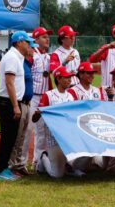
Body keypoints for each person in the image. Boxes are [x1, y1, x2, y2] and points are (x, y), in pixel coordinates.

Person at [0, 31, 32, 181]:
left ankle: (5, 169)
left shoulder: (16, 57)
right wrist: (16, 106)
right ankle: (1, 171)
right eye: (27, 42)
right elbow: (9, 83)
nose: (28, 44)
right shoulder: (11, 57)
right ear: (19, 42)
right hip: (8, 102)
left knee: (11, 138)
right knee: (8, 138)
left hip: (9, 102)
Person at [32, 66, 75, 178]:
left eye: (70, 77)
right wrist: (38, 113)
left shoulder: (70, 96)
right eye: (66, 77)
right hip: (53, 138)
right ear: (59, 79)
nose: (69, 80)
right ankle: (43, 157)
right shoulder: (49, 95)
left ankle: (64, 164)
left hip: (67, 138)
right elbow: (35, 119)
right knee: (57, 176)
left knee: (67, 168)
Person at [9, 39, 37, 176]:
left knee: (22, 135)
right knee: (17, 135)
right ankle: (12, 165)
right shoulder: (19, 62)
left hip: (27, 103)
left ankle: (19, 164)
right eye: (32, 47)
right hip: (20, 102)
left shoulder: (27, 63)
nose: (33, 50)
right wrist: (15, 105)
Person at [28, 27, 53, 170]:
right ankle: (26, 162)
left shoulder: (48, 57)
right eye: (44, 37)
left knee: (43, 131)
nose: (47, 39)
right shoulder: (32, 56)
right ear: (36, 40)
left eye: (47, 36)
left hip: (45, 98)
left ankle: (39, 161)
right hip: (33, 98)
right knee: (29, 131)